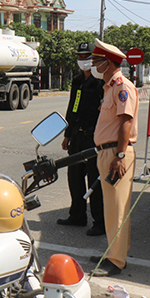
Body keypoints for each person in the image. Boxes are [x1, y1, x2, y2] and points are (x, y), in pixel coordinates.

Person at [89, 39, 139, 277]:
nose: (92, 65)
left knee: (117, 209)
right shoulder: (110, 87)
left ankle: (116, 261)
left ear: (106, 63)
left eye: (96, 61)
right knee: (111, 208)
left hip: (116, 153)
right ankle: (113, 253)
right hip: (107, 152)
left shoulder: (122, 86)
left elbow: (126, 122)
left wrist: (119, 156)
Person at [57, 41, 106, 236]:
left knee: (94, 181)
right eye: (80, 57)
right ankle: (77, 216)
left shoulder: (101, 82)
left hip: (93, 137)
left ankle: (99, 222)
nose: (83, 60)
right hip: (77, 136)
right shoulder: (77, 81)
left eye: (87, 57)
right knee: (75, 178)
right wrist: (67, 134)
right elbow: (73, 108)